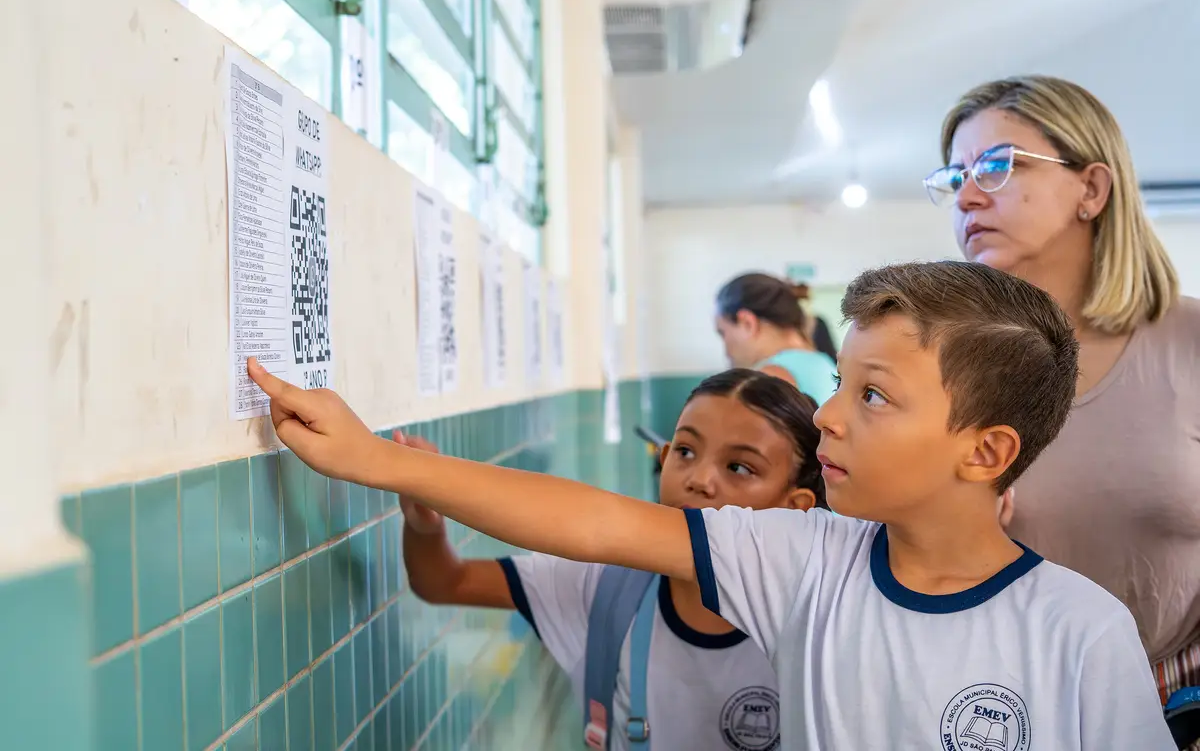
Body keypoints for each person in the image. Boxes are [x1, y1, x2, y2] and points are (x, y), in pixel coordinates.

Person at [245, 261, 1175, 750]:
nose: (829, 416)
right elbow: (596, 524)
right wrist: (378, 463)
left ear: (986, 451)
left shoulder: (1080, 633)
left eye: (873, 396)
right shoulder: (806, 561)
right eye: (839, 385)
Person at [927, 75, 1200, 704]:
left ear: (1092, 189)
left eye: (997, 166)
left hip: (1178, 707)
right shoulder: (940, 365)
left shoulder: (1189, 341)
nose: (967, 196)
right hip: (991, 706)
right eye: (956, 176)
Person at [396, 369, 825, 750]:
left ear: (795, 506)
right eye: (685, 451)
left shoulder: (820, 625)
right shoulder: (607, 585)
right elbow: (444, 582)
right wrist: (424, 526)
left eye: (739, 468)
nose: (699, 479)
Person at [714, 273, 838, 403]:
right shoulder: (823, 362)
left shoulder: (769, 379)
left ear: (747, 323)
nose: (726, 351)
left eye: (723, 333)